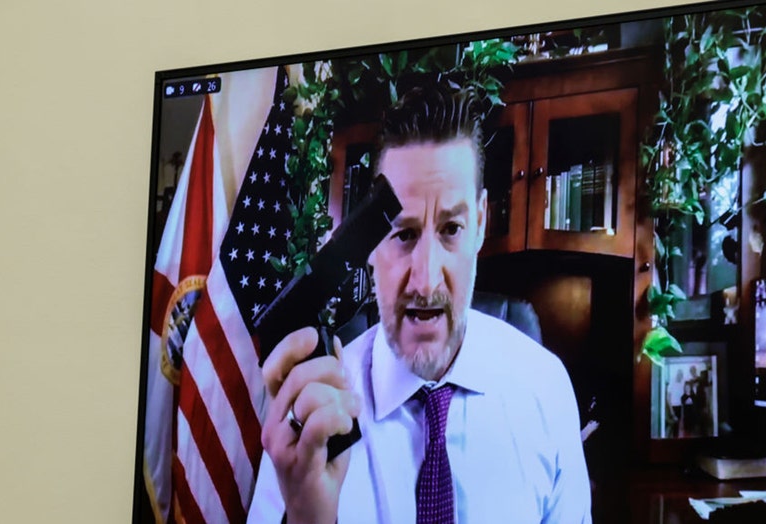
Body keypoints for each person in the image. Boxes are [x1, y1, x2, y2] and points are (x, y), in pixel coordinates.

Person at [247, 83, 592, 524]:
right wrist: (306, 515)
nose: (426, 280)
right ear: (370, 242)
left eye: (450, 229)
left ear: (481, 222)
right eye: (405, 234)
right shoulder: (310, 418)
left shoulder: (546, 390)